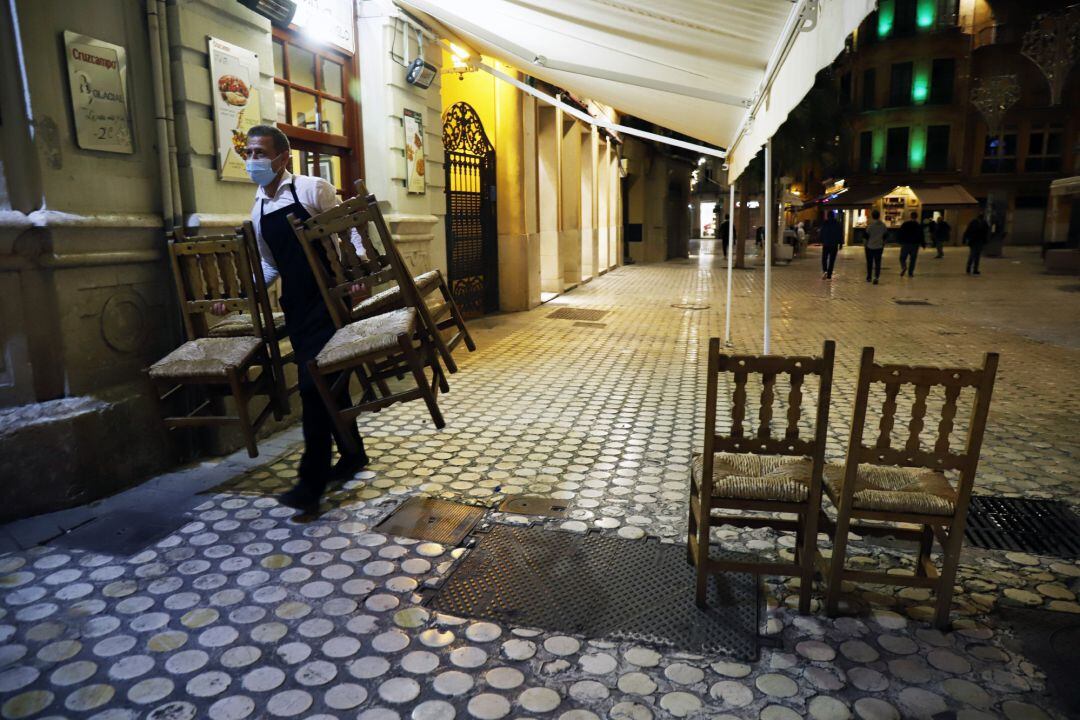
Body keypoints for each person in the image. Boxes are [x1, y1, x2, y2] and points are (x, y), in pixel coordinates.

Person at [222, 125, 367, 513]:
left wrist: (358, 271)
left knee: (312, 385)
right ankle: (354, 455)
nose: (252, 160)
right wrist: (241, 296)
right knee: (329, 383)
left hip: (330, 299)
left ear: (283, 158)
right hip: (297, 305)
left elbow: (350, 231)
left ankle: (310, 483)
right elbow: (271, 264)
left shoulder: (312, 189)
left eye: (260, 153)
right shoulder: (258, 210)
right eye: (248, 153)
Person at [864, 209, 887, 284]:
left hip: (870, 246)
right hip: (879, 246)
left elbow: (866, 237)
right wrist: (883, 244)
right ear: (879, 216)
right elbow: (885, 236)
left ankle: (869, 277)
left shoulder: (870, 226)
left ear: (872, 216)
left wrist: (865, 245)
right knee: (878, 262)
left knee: (869, 262)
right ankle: (876, 277)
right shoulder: (883, 226)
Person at [898, 211, 923, 277]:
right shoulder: (918, 225)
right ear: (916, 217)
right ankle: (910, 273)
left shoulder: (905, 224)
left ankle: (904, 266)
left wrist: (900, 241)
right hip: (915, 244)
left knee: (902, 257)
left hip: (906, 243)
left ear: (910, 216)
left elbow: (900, 232)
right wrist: (923, 243)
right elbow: (921, 235)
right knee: (913, 259)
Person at [819, 211, 843, 279]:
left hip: (826, 243)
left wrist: (821, 240)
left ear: (828, 216)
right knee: (832, 260)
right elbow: (840, 234)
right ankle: (829, 274)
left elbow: (822, 232)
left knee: (824, 258)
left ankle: (825, 271)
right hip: (834, 244)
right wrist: (840, 243)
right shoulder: (837, 224)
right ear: (833, 216)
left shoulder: (825, 223)